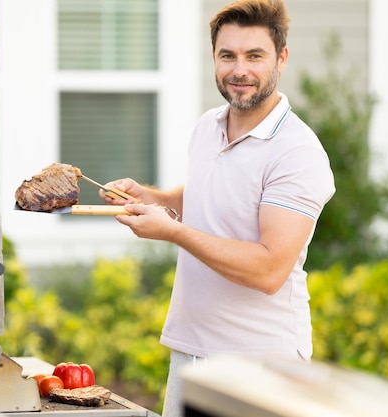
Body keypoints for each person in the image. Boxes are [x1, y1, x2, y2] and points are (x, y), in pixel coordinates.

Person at [100, 0, 335, 416]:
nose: (238, 69)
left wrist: (171, 232)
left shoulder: (297, 152)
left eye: (254, 56)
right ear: (214, 57)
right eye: (227, 55)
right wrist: (149, 198)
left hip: (262, 364)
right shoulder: (209, 125)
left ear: (281, 58)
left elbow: (268, 270)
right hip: (191, 352)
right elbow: (206, 200)